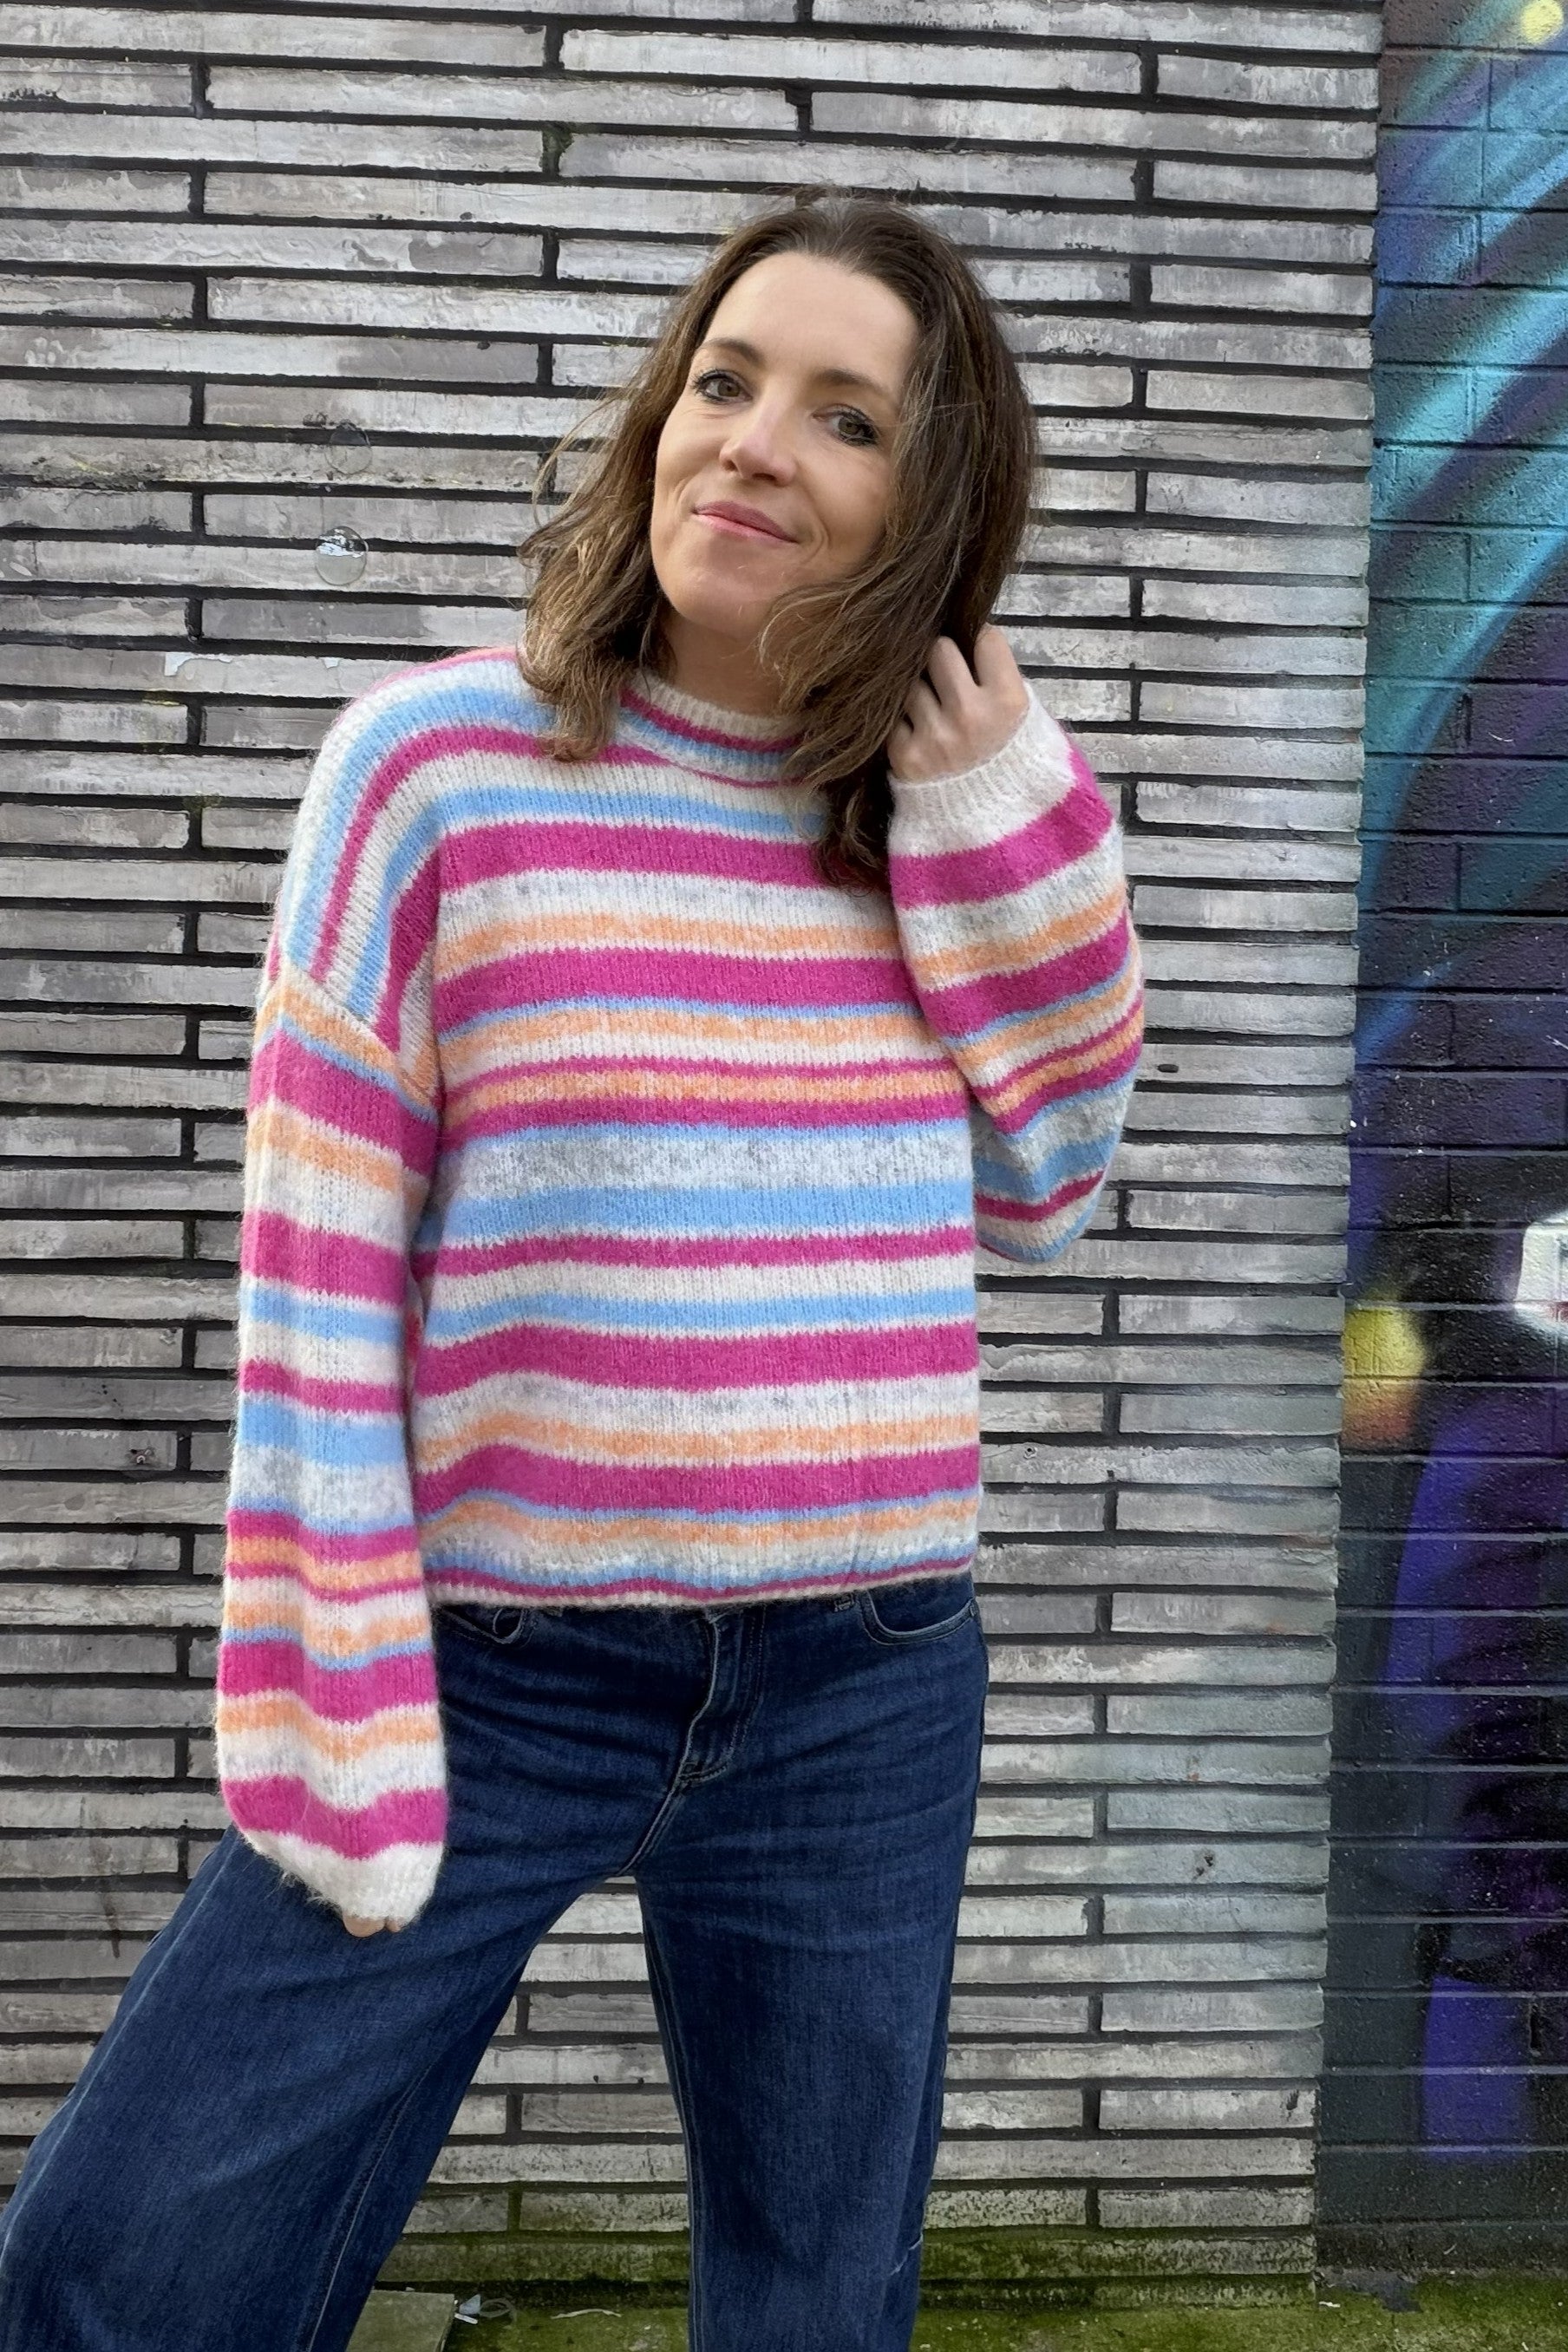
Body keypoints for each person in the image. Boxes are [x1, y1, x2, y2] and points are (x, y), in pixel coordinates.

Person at [0, 189, 1142, 2352]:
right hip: (497, 1659)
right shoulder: (435, 775)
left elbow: (1051, 1174)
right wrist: (331, 1680)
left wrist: (1002, 817)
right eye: (723, 380)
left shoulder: (941, 820)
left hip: (861, 1670)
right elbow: (317, 1274)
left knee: (814, 2302)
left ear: (932, 501)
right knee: (123, 2265)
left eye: (846, 416)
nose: (752, 443)